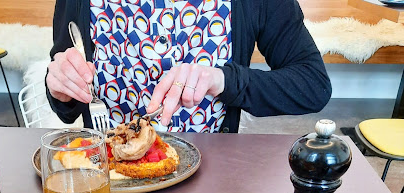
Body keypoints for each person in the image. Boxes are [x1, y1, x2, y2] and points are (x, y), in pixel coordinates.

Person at [46, 0, 332, 133]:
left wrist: (224, 80)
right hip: (108, 181)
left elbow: (313, 85)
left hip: (210, 182)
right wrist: (61, 88)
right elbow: (66, 102)